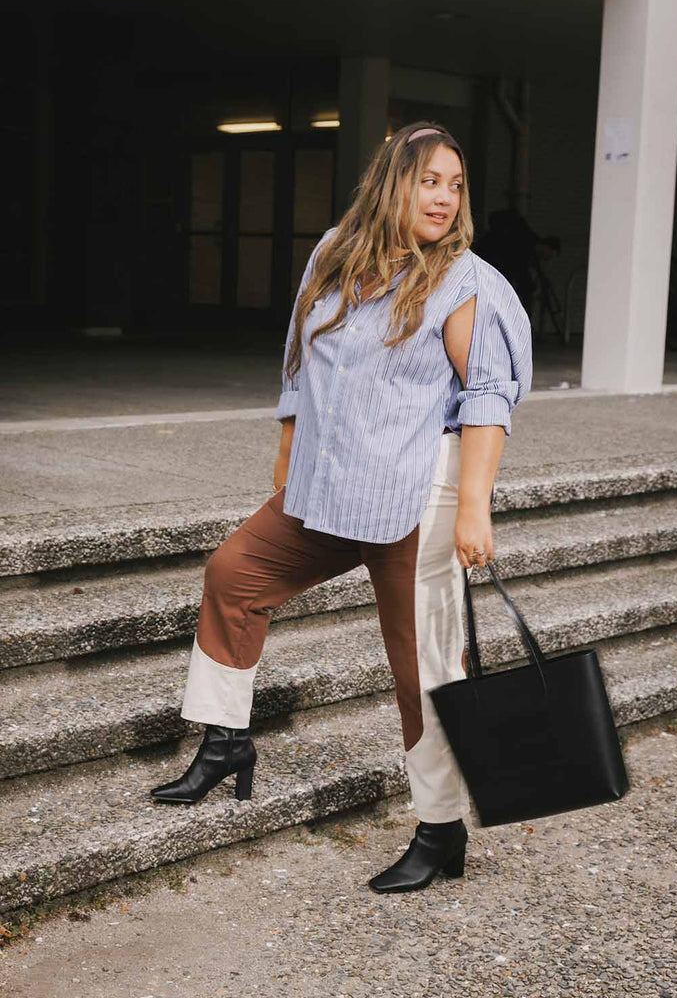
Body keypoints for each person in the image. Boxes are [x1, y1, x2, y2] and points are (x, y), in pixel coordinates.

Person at [150, 121, 533, 894]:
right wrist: (288, 461)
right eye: (429, 179)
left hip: (416, 491)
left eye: (454, 184)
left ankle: (440, 828)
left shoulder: (466, 280)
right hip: (326, 484)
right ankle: (227, 742)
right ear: (392, 180)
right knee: (234, 573)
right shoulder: (334, 254)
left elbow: (488, 398)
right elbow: (299, 361)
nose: (443, 197)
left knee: (423, 667)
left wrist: (473, 509)